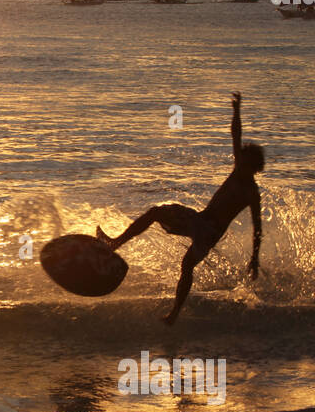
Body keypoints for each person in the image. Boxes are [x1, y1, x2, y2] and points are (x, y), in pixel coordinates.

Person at [97, 92, 262, 325]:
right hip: (201, 220)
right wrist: (236, 110)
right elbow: (236, 135)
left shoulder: (251, 193)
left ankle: (174, 314)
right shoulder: (238, 171)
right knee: (155, 212)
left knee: (186, 266)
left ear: (253, 165)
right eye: (240, 158)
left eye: (244, 159)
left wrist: (254, 258)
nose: (239, 160)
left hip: (209, 232)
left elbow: (257, 227)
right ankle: (115, 243)